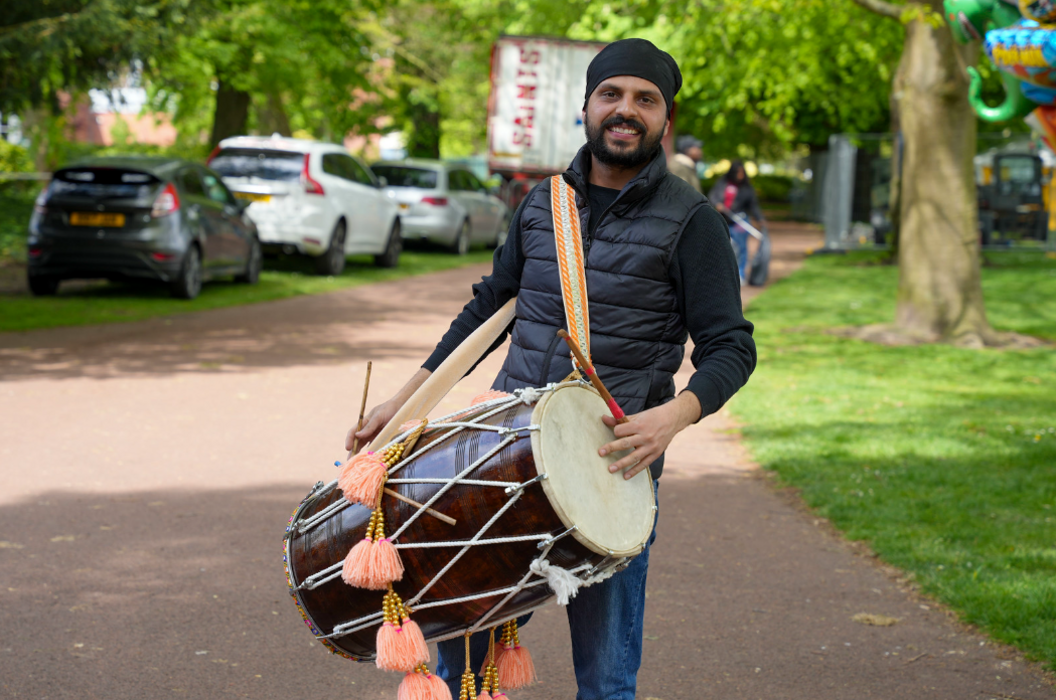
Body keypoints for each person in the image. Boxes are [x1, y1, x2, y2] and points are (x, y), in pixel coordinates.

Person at [347, 38, 756, 700]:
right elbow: (488, 311)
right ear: (587, 107)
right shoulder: (542, 206)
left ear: (666, 119)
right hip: (504, 463)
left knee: (605, 680)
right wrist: (402, 404)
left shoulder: (693, 221)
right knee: (463, 664)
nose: (627, 110)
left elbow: (732, 346)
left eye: (645, 100)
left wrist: (670, 421)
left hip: (611, 475)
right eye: (612, 95)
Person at [708, 161, 765, 285]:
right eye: (737, 172)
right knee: (724, 247)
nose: (740, 175)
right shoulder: (722, 183)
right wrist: (717, 204)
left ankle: (740, 274)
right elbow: (713, 196)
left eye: (742, 173)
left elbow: (753, 205)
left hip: (740, 220)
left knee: (741, 246)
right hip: (723, 219)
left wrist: (759, 218)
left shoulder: (747, 187)